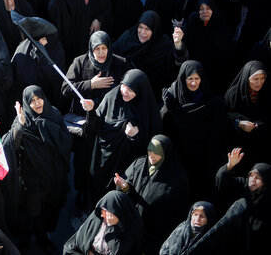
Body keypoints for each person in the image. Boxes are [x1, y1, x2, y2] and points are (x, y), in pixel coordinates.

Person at [62, 31, 130, 207]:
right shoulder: (80, 62)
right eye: (97, 49)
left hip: (110, 123)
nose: (101, 53)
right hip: (87, 124)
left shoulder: (120, 63)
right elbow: (65, 88)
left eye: (104, 48)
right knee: (83, 161)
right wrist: (90, 84)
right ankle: (82, 191)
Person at [6, 85, 72, 251]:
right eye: (32, 101)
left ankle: (43, 237)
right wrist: (20, 126)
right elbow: (11, 146)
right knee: (31, 211)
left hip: (52, 174)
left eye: (39, 98)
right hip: (32, 177)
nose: (36, 104)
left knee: (47, 208)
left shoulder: (53, 114)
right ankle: (26, 241)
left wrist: (45, 126)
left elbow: (65, 142)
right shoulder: (22, 119)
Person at [86, 69, 163, 202]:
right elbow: (95, 126)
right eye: (124, 86)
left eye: (131, 90)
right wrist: (90, 111)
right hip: (104, 157)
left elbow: (153, 143)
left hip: (127, 163)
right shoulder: (112, 97)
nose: (125, 92)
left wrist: (136, 136)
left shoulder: (148, 110)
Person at [161, 61, 227, 201]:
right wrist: (167, 108)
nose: (193, 83)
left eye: (197, 79)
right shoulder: (173, 95)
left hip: (201, 153)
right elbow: (163, 122)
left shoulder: (207, 96)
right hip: (180, 152)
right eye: (190, 79)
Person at [114, 135, 190, 255]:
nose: (152, 156)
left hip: (152, 237)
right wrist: (125, 187)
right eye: (150, 151)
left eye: (157, 153)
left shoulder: (178, 181)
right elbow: (127, 189)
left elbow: (174, 216)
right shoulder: (139, 164)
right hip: (130, 228)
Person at [112, 10, 185, 99]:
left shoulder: (163, 45)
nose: (142, 32)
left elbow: (179, 63)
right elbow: (112, 56)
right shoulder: (128, 37)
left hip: (151, 94)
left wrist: (178, 44)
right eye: (140, 27)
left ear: (154, 30)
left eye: (147, 29)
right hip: (125, 92)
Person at [10, 15, 67, 110]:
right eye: (43, 39)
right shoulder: (22, 50)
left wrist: (43, 57)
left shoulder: (55, 47)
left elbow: (57, 78)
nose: (46, 41)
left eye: (47, 39)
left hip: (53, 103)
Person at [63, 190, 143, 255]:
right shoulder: (97, 219)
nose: (102, 214)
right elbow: (73, 244)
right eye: (102, 209)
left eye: (106, 211)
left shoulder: (129, 234)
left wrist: (112, 227)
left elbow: (117, 251)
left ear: (118, 213)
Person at [182, 0, 235, 93]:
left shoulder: (220, 24)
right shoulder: (193, 22)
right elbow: (186, 46)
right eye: (201, 9)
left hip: (216, 72)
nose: (204, 12)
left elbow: (227, 51)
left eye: (208, 8)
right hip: (196, 71)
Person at [224, 61, 269, 167]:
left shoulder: (266, 92)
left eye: (262, 78)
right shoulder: (233, 94)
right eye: (255, 79)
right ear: (247, 77)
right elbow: (223, 117)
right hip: (238, 146)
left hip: (261, 145)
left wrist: (259, 125)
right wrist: (238, 123)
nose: (259, 82)